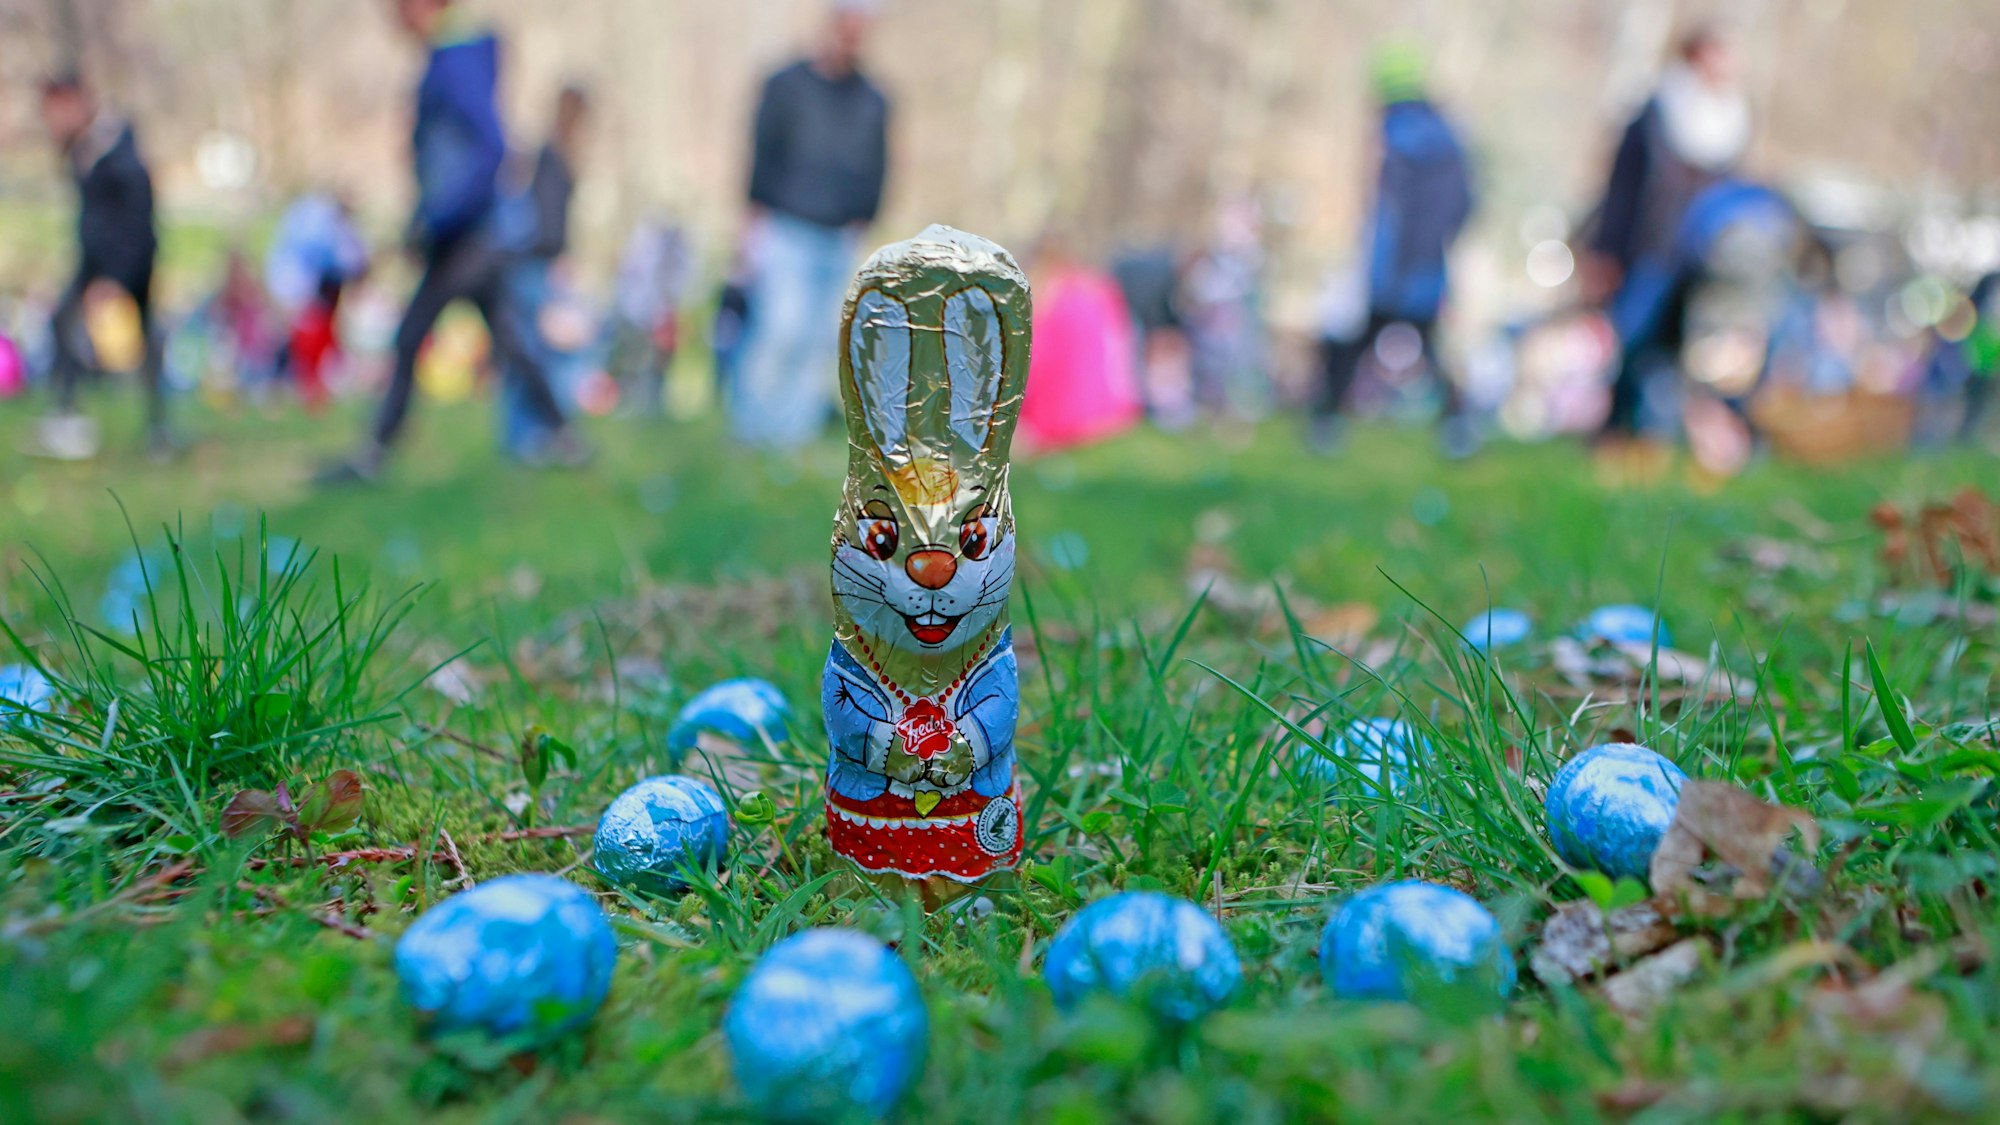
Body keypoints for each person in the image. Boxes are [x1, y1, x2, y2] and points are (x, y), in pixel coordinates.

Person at [319, 0, 582, 483]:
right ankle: (566, 436)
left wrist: (438, 218)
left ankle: (374, 451)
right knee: (508, 339)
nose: (393, 17)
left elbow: (489, 147)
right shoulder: (451, 55)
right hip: (465, 232)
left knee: (413, 335)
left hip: (465, 236)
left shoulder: (456, 59)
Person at [732, 0, 890, 449]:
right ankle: (752, 432)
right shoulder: (786, 85)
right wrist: (752, 223)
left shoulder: (873, 100)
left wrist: (865, 220)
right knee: (780, 330)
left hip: (839, 235)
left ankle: (789, 440)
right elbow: (762, 154)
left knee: (817, 340)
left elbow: (879, 164)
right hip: (786, 227)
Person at [1310, 42, 1474, 455]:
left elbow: (1390, 211)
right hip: (1426, 264)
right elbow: (1463, 204)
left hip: (1392, 266)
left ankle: (1326, 422)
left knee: (1353, 342)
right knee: (1430, 348)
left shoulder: (1396, 136)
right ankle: (1457, 427)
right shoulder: (1448, 136)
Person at [1589, 26, 1751, 439]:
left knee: (1683, 346)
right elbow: (1623, 187)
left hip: (1702, 252)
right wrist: (1606, 249)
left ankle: (1662, 431)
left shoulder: (1733, 118)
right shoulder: (1657, 112)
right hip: (1652, 245)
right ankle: (1617, 426)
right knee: (1634, 336)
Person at [33, 73, 167, 460]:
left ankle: (158, 429)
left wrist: (115, 278)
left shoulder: (116, 146)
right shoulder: (82, 149)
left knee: (143, 340)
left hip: (128, 261)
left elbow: (135, 219)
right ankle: (66, 415)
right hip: (93, 261)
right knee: (62, 322)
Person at [494, 83, 589, 458]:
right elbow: (549, 221)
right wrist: (558, 258)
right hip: (535, 265)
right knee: (533, 353)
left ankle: (532, 435)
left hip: (534, 262)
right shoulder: (552, 157)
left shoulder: (547, 156)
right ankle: (528, 438)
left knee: (531, 352)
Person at [265, 192, 369, 411]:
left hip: (316, 287)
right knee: (304, 338)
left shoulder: (326, 223)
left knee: (315, 338)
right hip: (308, 287)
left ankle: (308, 386)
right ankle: (295, 384)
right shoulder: (322, 223)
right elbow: (336, 258)